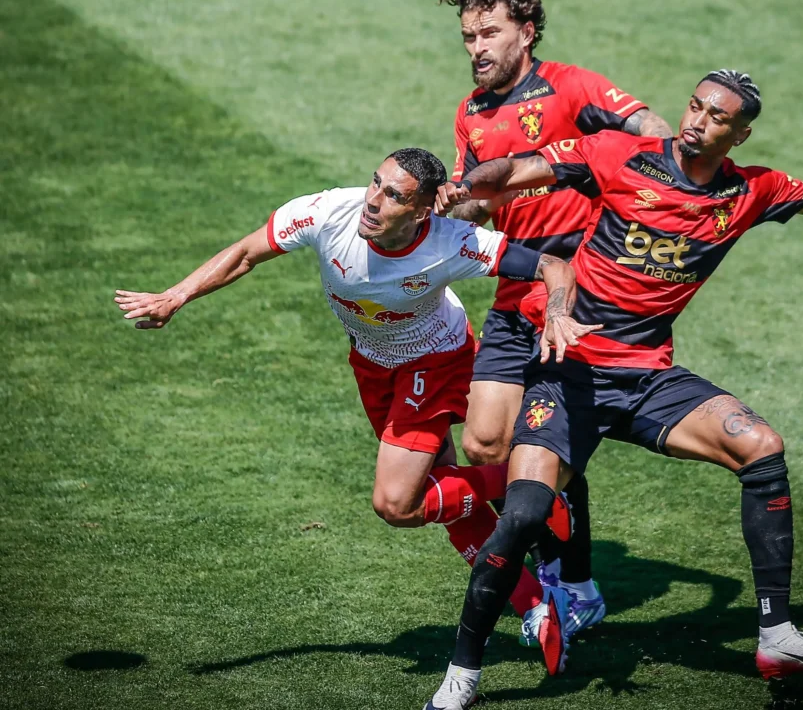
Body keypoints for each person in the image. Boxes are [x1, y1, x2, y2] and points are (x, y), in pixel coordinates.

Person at [423, 70, 803, 708]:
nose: (698, 122)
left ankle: (777, 635)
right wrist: (462, 186)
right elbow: (517, 170)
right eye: (695, 106)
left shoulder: (753, 190)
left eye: (717, 117)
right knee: (523, 516)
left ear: (739, 135)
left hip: (646, 377)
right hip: (570, 372)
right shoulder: (618, 155)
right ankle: (463, 676)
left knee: (761, 446)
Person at [113, 147, 601, 676]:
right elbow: (246, 253)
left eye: (393, 195)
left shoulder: (450, 242)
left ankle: (530, 489)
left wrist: (557, 313)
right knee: (440, 496)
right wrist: (175, 297)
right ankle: (536, 603)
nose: (373, 200)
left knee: (397, 502)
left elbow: (552, 266)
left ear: (421, 212)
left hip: (434, 362)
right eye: (375, 182)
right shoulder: (328, 212)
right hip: (372, 365)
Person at [440, 0, 674, 639]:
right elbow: (481, 205)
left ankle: (573, 583)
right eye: (468, 37)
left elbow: (657, 134)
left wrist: (631, 199)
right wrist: (455, 203)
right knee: (486, 443)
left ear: (527, 30)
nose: (476, 48)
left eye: (489, 33)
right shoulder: (471, 114)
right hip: (517, 288)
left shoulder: (574, 87)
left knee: (544, 444)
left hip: (578, 297)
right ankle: (558, 543)